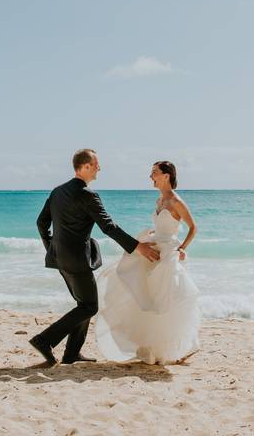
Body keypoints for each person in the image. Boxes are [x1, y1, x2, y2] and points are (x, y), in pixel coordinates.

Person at [29, 149, 159, 366]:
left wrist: (52, 247)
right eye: (97, 164)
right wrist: (137, 247)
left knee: (84, 304)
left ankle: (71, 354)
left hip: (60, 258)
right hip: (77, 259)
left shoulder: (57, 191)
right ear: (86, 166)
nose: (99, 168)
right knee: (89, 307)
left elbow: (41, 223)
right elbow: (108, 226)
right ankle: (44, 340)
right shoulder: (88, 194)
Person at [95, 160, 200, 364]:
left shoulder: (176, 201)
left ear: (166, 176)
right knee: (146, 295)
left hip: (168, 254)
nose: (150, 177)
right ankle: (153, 346)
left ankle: (179, 346)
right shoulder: (159, 200)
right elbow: (162, 226)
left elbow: (193, 227)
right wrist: (154, 233)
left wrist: (182, 249)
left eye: (154, 173)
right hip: (155, 249)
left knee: (166, 301)